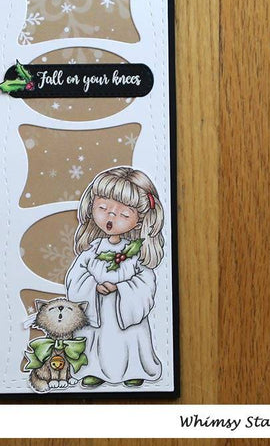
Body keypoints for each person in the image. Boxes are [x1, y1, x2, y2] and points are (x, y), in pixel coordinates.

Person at [65, 166, 164, 388]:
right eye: (103, 208)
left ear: (139, 220)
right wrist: (92, 286)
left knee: (129, 339)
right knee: (95, 340)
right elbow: (76, 276)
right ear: (91, 207)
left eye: (124, 214)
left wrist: (121, 289)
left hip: (124, 313)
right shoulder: (92, 250)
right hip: (97, 311)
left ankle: (134, 370)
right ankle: (93, 370)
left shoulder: (135, 253)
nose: (111, 216)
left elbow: (146, 282)